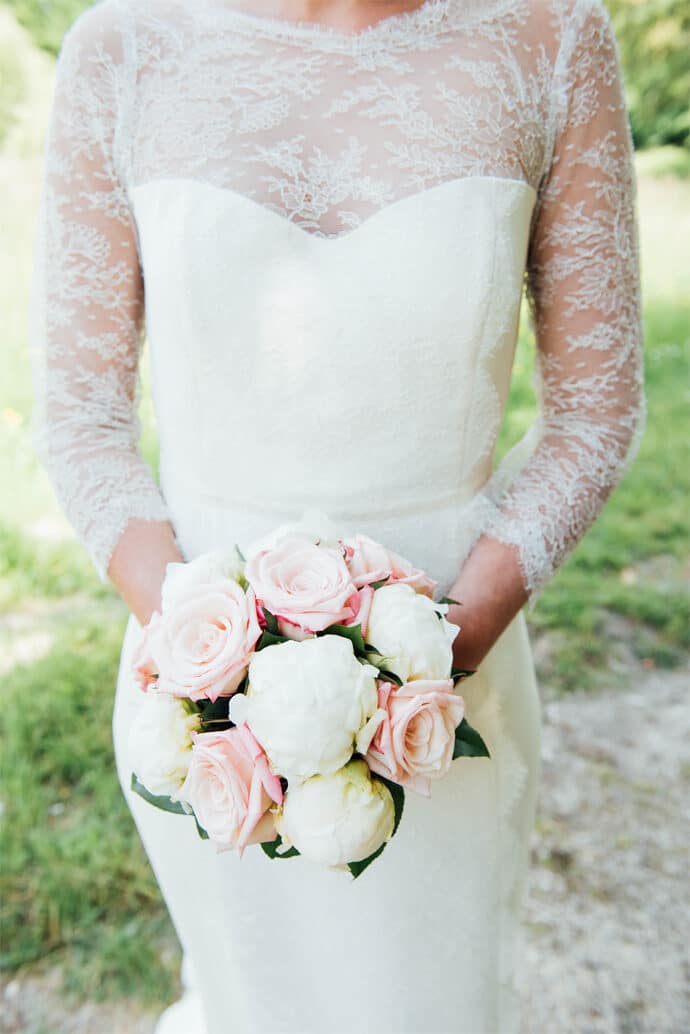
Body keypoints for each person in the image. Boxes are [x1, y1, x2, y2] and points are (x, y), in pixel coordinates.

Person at [28, 0, 645, 1030]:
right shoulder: (121, 52)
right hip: (201, 697)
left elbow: (596, 413)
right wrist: (214, 670)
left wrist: (417, 672)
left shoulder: (552, 40)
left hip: (446, 694)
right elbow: (81, 421)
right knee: (253, 996)